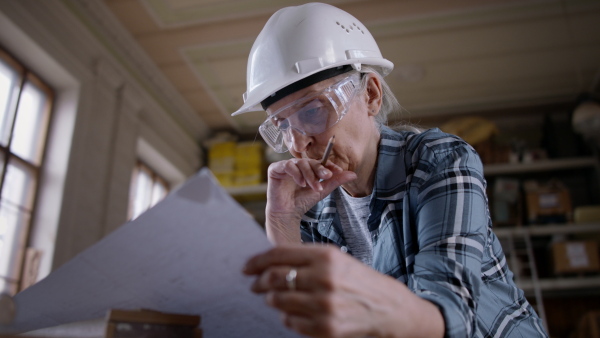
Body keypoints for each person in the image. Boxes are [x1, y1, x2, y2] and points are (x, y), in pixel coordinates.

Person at [233, 3, 548, 337]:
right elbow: (302, 323)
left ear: (370, 94)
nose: (299, 144)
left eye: (312, 111)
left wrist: (364, 300)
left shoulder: (438, 161)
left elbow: (451, 314)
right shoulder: (311, 210)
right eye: (283, 126)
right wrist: (283, 221)